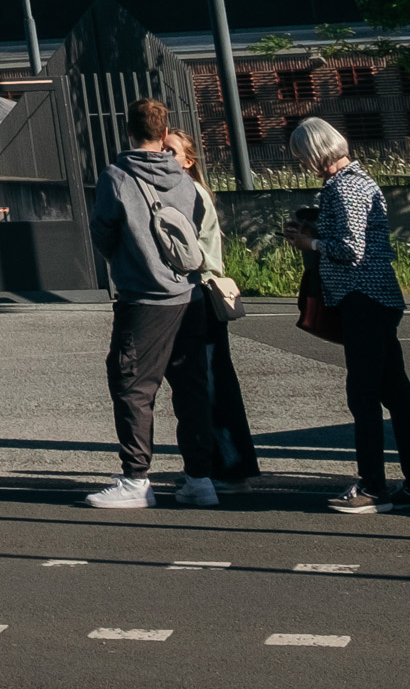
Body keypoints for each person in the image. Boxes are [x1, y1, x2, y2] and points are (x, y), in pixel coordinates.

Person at [291, 115, 410, 513]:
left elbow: (351, 248)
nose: (302, 163)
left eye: (302, 155)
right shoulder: (355, 182)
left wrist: (311, 240)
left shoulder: (345, 187)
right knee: (395, 394)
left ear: (315, 152)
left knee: (365, 395)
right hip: (377, 298)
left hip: (362, 296)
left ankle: (373, 486)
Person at [90, 96, 225, 510]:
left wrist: (126, 259)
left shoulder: (116, 175)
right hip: (188, 293)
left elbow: (104, 233)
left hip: (144, 297)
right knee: (191, 389)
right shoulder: (184, 178)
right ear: (164, 133)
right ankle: (200, 479)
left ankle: (136, 479)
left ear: (128, 130)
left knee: (132, 386)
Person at [169, 130, 260, 483]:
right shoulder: (191, 192)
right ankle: (227, 464)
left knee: (209, 384)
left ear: (188, 161)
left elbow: (192, 253)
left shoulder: (190, 193)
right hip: (200, 293)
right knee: (209, 381)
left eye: (171, 151)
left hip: (201, 294)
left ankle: (230, 466)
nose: (163, 155)